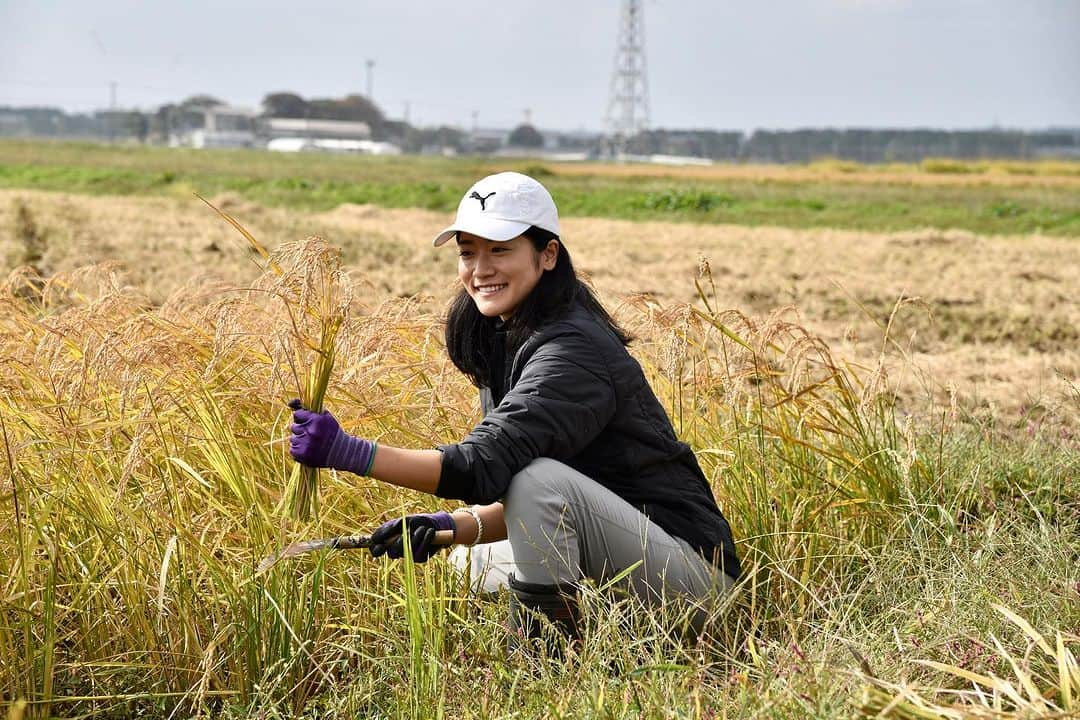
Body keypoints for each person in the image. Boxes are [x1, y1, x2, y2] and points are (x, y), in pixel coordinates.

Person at [289, 171, 740, 653]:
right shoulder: (507, 338)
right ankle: (593, 629)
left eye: (500, 249)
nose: (480, 269)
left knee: (538, 480)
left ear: (547, 255)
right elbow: (542, 506)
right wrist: (450, 527)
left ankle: (546, 660)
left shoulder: (574, 351)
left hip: (695, 583)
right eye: (468, 252)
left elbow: (490, 468)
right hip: (623, 554)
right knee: (468, 561)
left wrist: (349, 452)